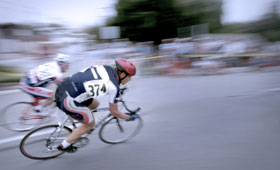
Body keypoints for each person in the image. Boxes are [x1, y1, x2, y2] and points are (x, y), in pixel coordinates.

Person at [55, 58, 138, 153]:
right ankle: (64, 145)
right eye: (130, 77)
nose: (130, 80)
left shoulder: (107, 69)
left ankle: (78, 120)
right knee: (90, 124)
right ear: (122, 74)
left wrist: (117, 91)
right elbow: (114, 112)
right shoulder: (114, 88)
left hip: (64, 87)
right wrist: (128, 118)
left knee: (95, 104)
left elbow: (100, 84)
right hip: (67, 100)